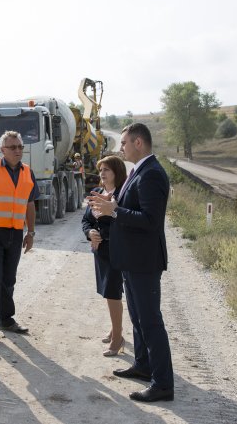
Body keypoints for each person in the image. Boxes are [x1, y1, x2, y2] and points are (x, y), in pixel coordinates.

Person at [87, 122, 174, 402]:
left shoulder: (152, 175)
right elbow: (127, 210)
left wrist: (115, 210)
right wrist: (109, 205)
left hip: (144, 261)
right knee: (137, 319)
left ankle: (162, 384)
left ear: (138, 143)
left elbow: (150, 221)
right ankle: (143, 365)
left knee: (150, 322)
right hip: (131, 260)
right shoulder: (139, 172)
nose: (120, 147)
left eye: (124, 143)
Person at [0, 130, 39, 346]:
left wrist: (30, 232)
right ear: (2, 150)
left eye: (20, 146)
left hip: (14, 233)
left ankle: (6, 320)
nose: (18, 150)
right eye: (13, 147)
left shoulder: (27, 173)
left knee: (8, 280)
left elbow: (30, 204)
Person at [81, 155, 127, 357]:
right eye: (100, 170)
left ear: (116, 172)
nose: (102, 173)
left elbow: (125, 220)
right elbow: (86, 220)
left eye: (106, 170)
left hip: (116, 250)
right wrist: (90, 233)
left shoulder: (122, 195)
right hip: (100, 251)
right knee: (108, 293)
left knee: (113, 293)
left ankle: (118, 338)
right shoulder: (98, 192)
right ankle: (114, 330)